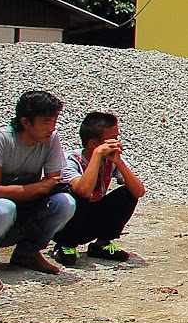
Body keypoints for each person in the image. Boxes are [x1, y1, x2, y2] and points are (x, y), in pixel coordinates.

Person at [0, 90, 76, 275]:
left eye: (54, 122)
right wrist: (38, 187)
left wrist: (37, 188)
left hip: (23, 209)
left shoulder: (50, 139)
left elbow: (53, 182)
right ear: (25, 122)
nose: (51, 128)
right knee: (3, 208)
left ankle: (27, 253)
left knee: (65, 203)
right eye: (46, 122)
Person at [51, 111, 146, 265]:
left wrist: (119, 162)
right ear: (93, 143)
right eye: (112, 139)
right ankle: (65, 245)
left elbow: (138, 191)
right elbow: (83, 191)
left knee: (127, 194)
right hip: (68, 222)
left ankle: (101, 244)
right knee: (76, 194)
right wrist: (97, 155)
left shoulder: (110, 159)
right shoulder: (69, 161)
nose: (116, 142)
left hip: (92, 217)